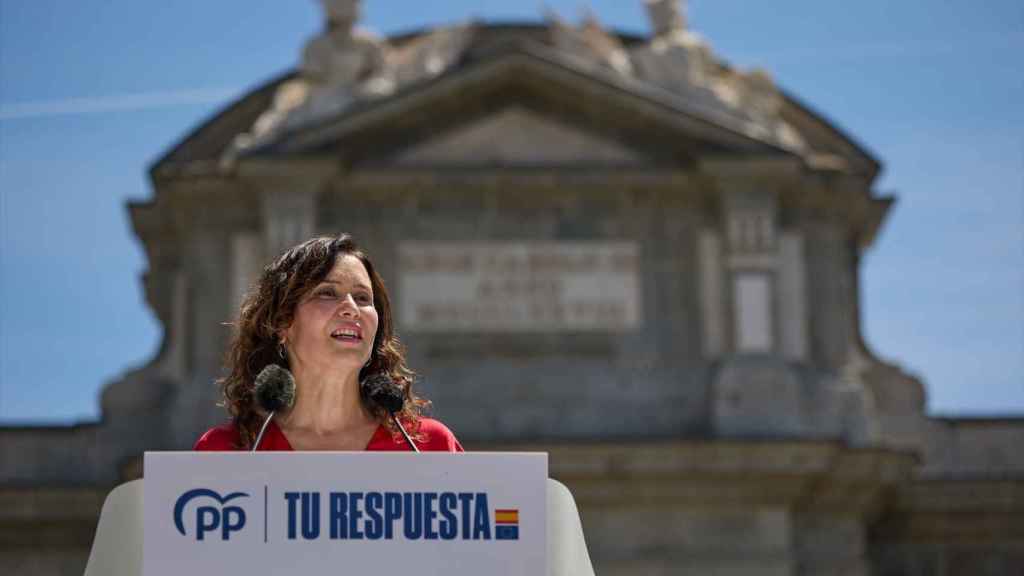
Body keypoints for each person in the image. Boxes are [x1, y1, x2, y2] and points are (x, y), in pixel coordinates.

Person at [194, 234, 462, 452]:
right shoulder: (227, 451)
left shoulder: (429, 447)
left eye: (362, 297)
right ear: (282, 323)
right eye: (327, 293)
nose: (350, 308)